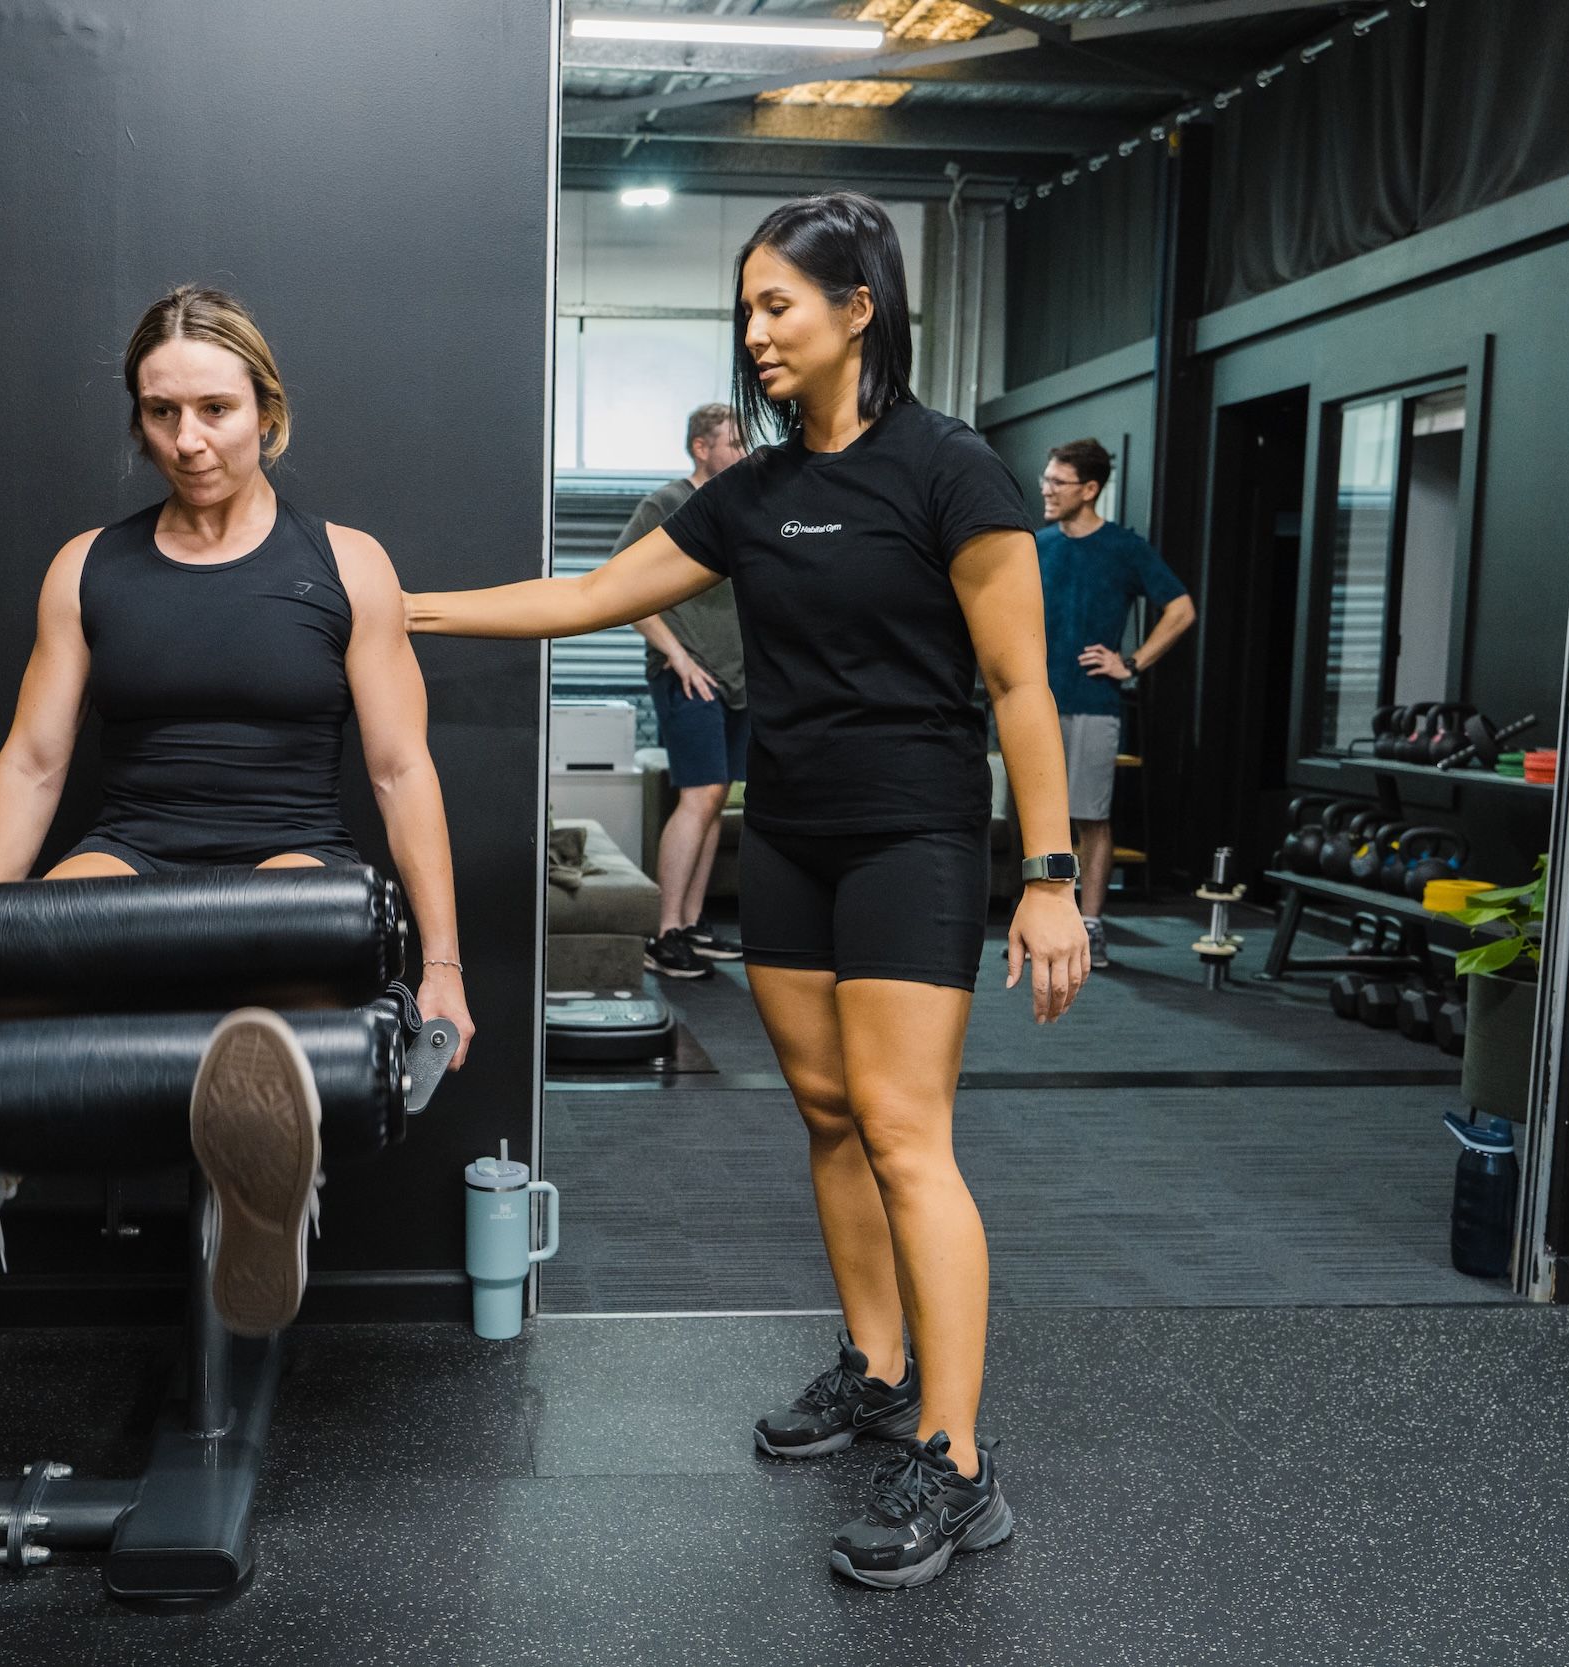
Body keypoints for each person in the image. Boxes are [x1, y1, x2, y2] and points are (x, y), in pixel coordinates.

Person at [408, 192, 1088, 1591]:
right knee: (831, 1115)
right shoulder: (757, 491)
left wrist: (1051, 874)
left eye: (780, 303)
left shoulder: (951, 470)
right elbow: (586, 595)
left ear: (859, 308)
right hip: (792, 834)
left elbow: (1021, 682)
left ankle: (958, 1462)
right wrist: (398, 607)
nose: (756, 330)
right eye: (748, 307)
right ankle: (881, 1368)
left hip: (916, 834)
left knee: (908, 1133)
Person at [0, 286, 474, 1354]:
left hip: (288, 856)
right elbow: (34, 762)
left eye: (213, 409)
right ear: (138, 419)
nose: (188, 438)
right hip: (134, 848)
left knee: (301, 951)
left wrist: (441, 963)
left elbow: (402, 770)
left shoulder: (346, 564)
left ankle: (263, 1196)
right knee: (27, 957)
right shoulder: (88, 566)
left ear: (266, 409)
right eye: (162, 412)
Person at [1034, 438, 1196, 967]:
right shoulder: (1036, 546)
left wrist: (1131, 662)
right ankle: (1043, 923)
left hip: (1094, 702)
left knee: (1091, 818)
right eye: (1047, 479)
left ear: (1090, 489)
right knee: (1043, 819)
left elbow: (1180, 609)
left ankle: (1090, 924)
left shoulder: (1125, 548)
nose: (1046, 489)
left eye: (1058, 482)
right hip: (1036, 703)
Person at [624, 403, 750, 981]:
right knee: (698, 796)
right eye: (735, 442)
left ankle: (692, 922)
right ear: (702, 447)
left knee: (716, 800)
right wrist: (677, 656)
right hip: (687, 674)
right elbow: (621, 583)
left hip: (736, 681)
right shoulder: (668, 504)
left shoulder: (740, 504)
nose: (745, 452)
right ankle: (665, 930)